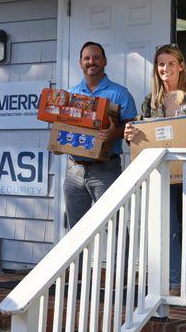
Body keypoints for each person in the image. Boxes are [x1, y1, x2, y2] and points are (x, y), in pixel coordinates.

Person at [124, 43, 186, 292]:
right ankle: (173, 283)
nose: (166, 68)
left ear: (181, 66)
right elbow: (142, 133)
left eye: (171, 63)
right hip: (164, 172)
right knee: (168, 227)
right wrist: (130, 133)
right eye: (161, 64)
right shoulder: (151, 101)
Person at [64, 42, 137, 229]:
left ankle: (120, 260)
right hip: (74, 170)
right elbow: (61, 128)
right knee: (76, 231)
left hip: (106, 169)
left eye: (96, 57)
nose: (91, 61)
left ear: (104, 61)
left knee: (115, 228)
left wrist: (115, 133)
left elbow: (134, 128)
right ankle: (79, 261)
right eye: (86, 58)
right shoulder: (70, 95)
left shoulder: (120, 94)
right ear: (80, 63)